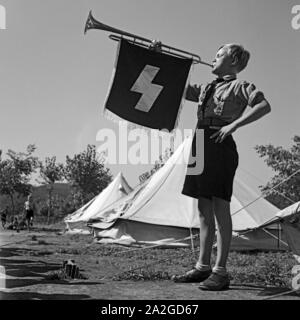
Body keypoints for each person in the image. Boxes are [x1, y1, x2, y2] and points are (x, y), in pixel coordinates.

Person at [172, 44, 271, 290]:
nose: (213, 58)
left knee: (219, 206)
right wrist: (160, 55)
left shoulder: (240, 86)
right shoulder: (207, 87)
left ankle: (221, 271)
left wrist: (234, 125)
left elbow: (263, 106)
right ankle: (202, 267)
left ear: (234, 61)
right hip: (200, 144)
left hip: (219, 142)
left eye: (219, 55)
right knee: (202, 208)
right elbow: (178, 88)